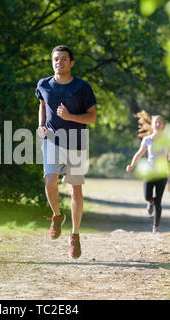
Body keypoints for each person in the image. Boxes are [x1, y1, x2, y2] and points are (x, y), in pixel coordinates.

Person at [35, 45, 97, 259]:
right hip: (52, 140)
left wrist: (71, 117)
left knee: (76, 189)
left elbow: (92, 117)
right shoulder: (43, 84)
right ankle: (57, 216)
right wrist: (41, 125)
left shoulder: (82, 87)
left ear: (71, 63)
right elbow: (42, 104)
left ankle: (75, 235)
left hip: (76, 141)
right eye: (55, 59)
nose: (58, 62)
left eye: (63, 59)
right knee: (50, 182)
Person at [126, 111, 170, 233]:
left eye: (160, 122)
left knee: (159, 200)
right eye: (156, 122)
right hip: (149, 172)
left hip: (162, 173)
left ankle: (156, 226)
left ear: (163, 125)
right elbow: (139, 154)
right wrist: (132, 165)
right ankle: (150, 202)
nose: (158, 124)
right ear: (152, 125)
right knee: (147, 196)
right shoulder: (147, 140)